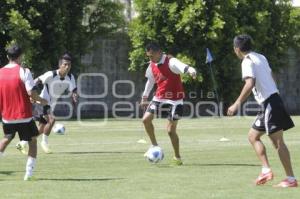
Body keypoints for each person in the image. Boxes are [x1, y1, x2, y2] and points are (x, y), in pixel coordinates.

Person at [227, 34, 297, 188]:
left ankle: (291, 179)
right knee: (253, 136)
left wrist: (236, 103)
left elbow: (250, 83)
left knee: (277, 142)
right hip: (269, 103)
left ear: (237, 49)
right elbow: (271, 75)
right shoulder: (261, 57)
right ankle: (266, 170)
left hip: (270, 103)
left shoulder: (246, 61)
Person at [141, 42, 196, 165]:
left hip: (175, 100)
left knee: (170, 131)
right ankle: (154, 145)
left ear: (159, 52)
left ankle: (177, 158)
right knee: (145, 120)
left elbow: (184, 67)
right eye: (148, 56)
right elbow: (150, 81)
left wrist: (192, 71)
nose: (150, 59)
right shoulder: (151, 65)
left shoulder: (171, 61)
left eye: (152, 56)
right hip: (159, 97)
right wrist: (144, 96)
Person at [0, 44, 48, 180]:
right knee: (32, 140)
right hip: (24, 116)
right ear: (20, 56)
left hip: (7, 116)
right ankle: (28, 174)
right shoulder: (24, 71)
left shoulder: (0, 72)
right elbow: (31, 93)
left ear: (7, 57)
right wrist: (41, 100)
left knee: (6, 138)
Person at [16, 53, 78, 154]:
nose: (67, 67)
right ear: (60, 65)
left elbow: (73, 90)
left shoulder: (70, 77)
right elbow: (36, 81)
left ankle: (22, 143)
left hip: (50, 104)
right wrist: (31, 95)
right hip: (42, 101)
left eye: (69, 65)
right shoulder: (51, 74)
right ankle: (44, 143)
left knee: (41, 128)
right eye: (65, 64)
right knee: (52, 119)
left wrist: (74, 96)